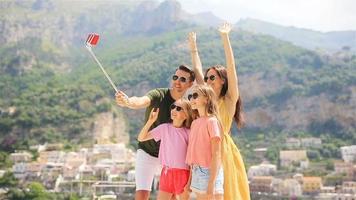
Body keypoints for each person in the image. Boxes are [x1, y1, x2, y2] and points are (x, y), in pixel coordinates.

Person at [188, 23, 250, 200]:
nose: (208, 80)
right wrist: (193, 49)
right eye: (207, 78)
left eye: (212, 77)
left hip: (223, 152)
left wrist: (225, 37)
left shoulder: (229, 100)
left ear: (223, 80)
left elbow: (232, 68)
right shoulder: (206, 100)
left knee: (227, 193)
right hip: (204, 153)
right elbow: (198, 71)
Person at [115, 65, 195, 200]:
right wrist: (128, 102)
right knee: (142, 194)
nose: (177, 81)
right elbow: (140, 101)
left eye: (183, 79)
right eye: (175, 77)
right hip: (147, 152)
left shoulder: (187, 107)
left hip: (170, 161)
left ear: (190, 84)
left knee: (173, 197)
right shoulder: (159, 94)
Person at [137, 99, 192, 200]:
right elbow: (141, 138)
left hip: (183, 175)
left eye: (179, 108)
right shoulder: (164, 128)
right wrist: (150, 121)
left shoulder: (189, 133)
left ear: (186, 115)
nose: (174, 110)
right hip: (166, 173)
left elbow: (193, 161)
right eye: (173, 107)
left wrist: (189, 184)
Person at [186, 84, 224, 200]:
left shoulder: (212, 122)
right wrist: (190, 180)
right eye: (190, 96)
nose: (192, 99)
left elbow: (216, 154)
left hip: (210, 172)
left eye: (195, 95)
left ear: (207, 99)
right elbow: (194, 155)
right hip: (196, 171)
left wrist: (211, 182)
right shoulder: (195, 123)